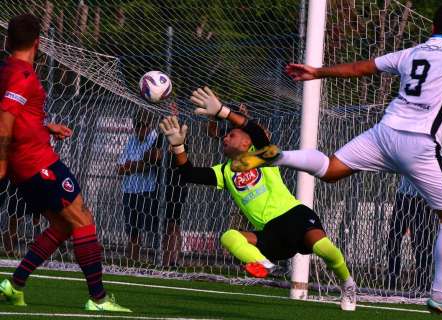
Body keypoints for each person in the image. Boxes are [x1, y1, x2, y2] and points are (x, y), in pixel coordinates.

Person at [231, 5, 442, 319]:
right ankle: (441, 296)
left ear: (431, 29)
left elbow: (359, 69)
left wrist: (317, 72)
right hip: (419, 144)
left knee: (330, 169)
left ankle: (281, 156)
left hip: (383, 134)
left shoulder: (410, 53)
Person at [159, 87, 357, 311]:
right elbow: (188, 174)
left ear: (246, 144)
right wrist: (177, 145)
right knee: (230, 237)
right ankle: (263, 264)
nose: (225, 136)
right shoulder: (224, 171)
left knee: (325, 249)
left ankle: (348, 284)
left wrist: (224, 112)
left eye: (231, 134)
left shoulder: (262, 156)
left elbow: (255, 130)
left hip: (295, 216)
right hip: (270, 233)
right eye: (225, 134)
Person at [0, 14, 131, 312]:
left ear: (8, 40)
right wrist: (2, 162)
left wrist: (46, 127)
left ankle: (15, 283)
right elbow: (4, 119)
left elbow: (16, 116)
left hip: (30, 161)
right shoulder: (22, 75)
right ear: (38, 43)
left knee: (62, 225)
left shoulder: (7, 69)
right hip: (37, 162)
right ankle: (98, 299)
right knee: (83, 219)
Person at [117, 111, 162, 263]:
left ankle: (157, 261)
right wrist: (136, 166)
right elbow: (119, 169)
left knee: (153, 229)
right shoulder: (131, 140)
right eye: (137, 126)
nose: (140, 129)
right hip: (130, 190)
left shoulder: (157, 139)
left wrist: (132, 166)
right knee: (132, 229)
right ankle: (132, 260)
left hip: (149, 190)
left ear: (150, 125)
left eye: (143, 126)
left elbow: (148, 165)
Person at [386, 178, 436, 293]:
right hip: (403, 196)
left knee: (422, 243)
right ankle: (392, 280)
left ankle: (423, 283)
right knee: (394, 238)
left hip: (424, 198)